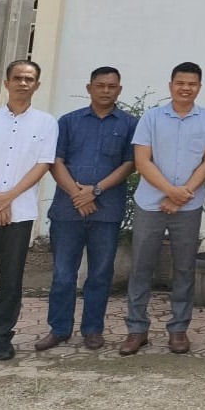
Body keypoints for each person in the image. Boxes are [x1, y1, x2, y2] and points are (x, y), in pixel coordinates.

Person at [121, 61, 205, 356]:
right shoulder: (151, 118)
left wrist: (182, 195)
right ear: (170, 85)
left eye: (192, 84)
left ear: (199, 87)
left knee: (183, 268)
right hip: (150, 203)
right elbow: (142, 161)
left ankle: (179, 329)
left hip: (189, 205)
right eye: (180, 83)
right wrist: (170, 192)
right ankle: (136, 329)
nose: (185, 88)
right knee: (141, 266)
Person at [37, 66, 137, 352]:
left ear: (119, 89)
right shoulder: (68, 122)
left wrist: (94, 191)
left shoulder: (130, 124)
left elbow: (130, 164)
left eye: (112, 86)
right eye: (100, 85)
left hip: (106, 211)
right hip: (67, 210)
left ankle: (93, 329)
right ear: (89, 88)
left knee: (100, 274)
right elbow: (55, 161)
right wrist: (77, 194)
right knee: (63, 274)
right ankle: (59, 329)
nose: (106, 90)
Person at [0, 60, 58, 360]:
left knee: (11, 280)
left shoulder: (46, 123)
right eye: (17, 78)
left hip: (19, 213)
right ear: (6, 83)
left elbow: (43, 165)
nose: (23, 83)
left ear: (37, 85)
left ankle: (1, 338)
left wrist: (8, 199)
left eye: (29, 79)